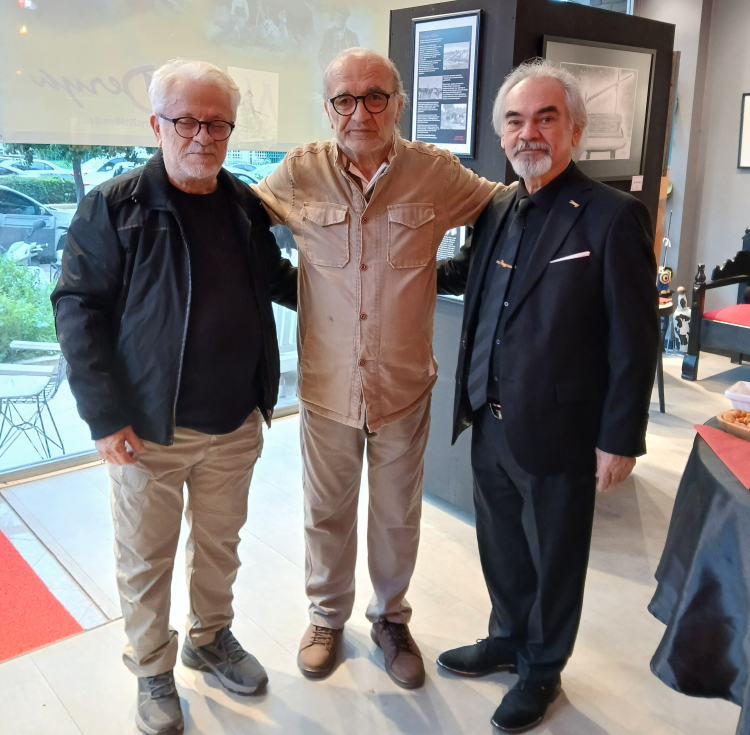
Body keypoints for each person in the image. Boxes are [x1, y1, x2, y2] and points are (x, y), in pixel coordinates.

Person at [51, 59, 297, 735]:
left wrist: (355, 298)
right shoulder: (115, 206)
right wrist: (104, 416)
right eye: (187, 121)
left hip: (235, 421)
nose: (203, 136)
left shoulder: (244, 205)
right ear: (157, 125)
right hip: (148, 426)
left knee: (221, 545)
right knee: (145, 556)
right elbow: (77, 308)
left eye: (218, 123)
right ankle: (152, 667)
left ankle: (209, 637)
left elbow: (276, 279)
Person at [253, 47, 503, 689]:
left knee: (396, 515)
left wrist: (453, 275)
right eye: (344, 99)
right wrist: (296, 290)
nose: (359, 112)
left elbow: (502, 213)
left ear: (398, 104)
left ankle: (391, 619)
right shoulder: (299, 172)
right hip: (327, 386)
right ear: (328, 107)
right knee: (325, 511)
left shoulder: (435, 173)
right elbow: (242, 227)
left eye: (374, 97)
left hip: (403, 386)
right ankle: (325, 618)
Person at [436, 59, 658, 732]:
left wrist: (619, 438)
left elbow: (635, 338)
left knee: (555, 556)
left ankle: (542, 667)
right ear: (501, 133)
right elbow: (475, 279)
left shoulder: (613, 217)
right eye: (514, 120)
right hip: (487, 417)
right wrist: (395, 264)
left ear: (575, 129)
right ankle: (507, 637)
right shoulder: (498, 206)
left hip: (561, 427)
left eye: (545, 117)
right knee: (502, 543)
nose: (527, 132)